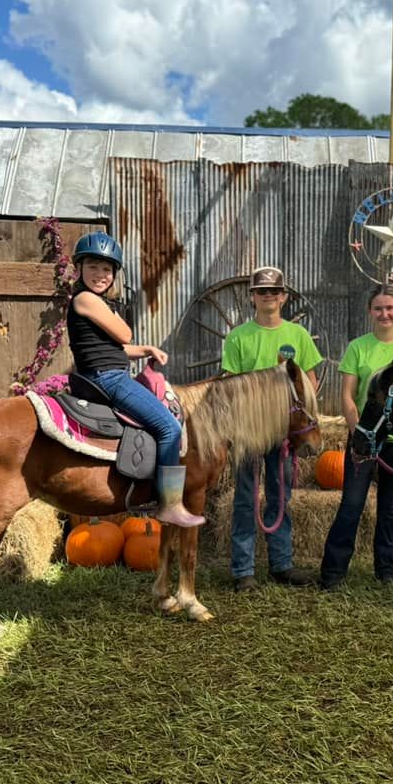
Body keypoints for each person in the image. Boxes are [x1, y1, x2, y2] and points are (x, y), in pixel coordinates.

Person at [66, 232, 204, 528]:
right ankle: (169, 504)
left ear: (114, 274)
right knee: (169, 427)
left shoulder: (93, 302)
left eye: (107, 269)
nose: (100, 274)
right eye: (93, 266)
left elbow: (115, 348)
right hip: (110, 379)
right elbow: (125, 335)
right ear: (79, 268)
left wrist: (147, 350)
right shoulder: (87, 299)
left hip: (104, 373)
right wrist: (121, 321)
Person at [320, 285, 393, 590]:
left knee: (390, 507)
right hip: (365, 441)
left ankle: (387, 570)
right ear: (370, 311)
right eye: (379, 308)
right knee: (352, 504)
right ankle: (333, 572)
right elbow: (347, 395)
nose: (385, 314)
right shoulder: (358, 348)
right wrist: (359, 432)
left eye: (390, 308)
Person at [221, 266, 322, 592]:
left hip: (283, 432)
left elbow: (310, 381)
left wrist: (298, 417)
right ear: (252, 296)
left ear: (284, 297)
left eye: (274, 291)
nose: (268, 296)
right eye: (261, 291)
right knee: (245, 499)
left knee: (280, 497)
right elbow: (231, 385)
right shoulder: (238, 337)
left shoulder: (298, 335)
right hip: (249, 430)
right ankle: (243, 570)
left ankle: (282, 565)